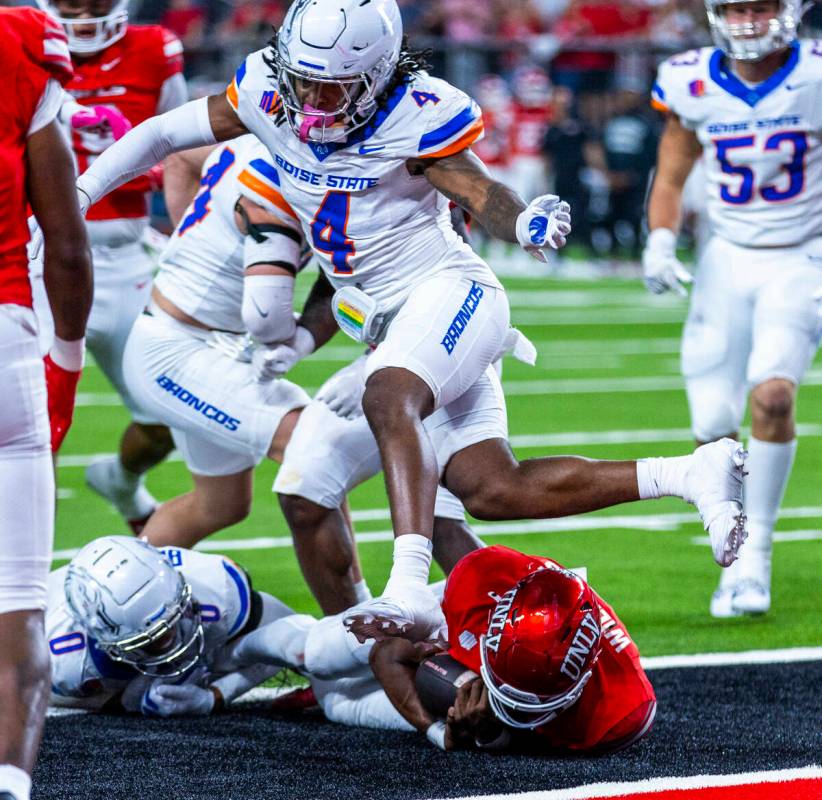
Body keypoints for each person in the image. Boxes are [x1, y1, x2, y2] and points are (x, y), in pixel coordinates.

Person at [59, 0, 746, 646]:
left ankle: (410, 587)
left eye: (335, 87)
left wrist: (523, 218)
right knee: (476, 488)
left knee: (387, 394)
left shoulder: (416, 116)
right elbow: (165, 140)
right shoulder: (270, 97)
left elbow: (479, 189)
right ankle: (688, 474)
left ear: (380, 74)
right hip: (388, 318)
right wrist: (80, 191)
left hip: (452, 295)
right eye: (305, 81)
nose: (314, 101)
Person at [643, 0, 822, 617]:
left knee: (772, 396)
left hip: (803, 255)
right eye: (735, 6)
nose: (747, 19)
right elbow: (671, 176)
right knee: (713, 424)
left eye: (761, 6)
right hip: (726, 258)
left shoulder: (817, 76)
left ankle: (756, 559)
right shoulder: (690, 78)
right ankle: (731, 549)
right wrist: (661, 239)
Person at [34, 0, 188, 533]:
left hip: (126, 258)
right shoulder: (24, 42)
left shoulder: (153, 50)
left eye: (91, 3)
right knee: (31, 432)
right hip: (41, 257)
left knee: (172, 412)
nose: (79, 15)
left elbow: (183, 146)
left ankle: (121, 479)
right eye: (68, 4)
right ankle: (22, 583)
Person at [0, 8, 93, 800]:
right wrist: (65, 352)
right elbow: (64, 242)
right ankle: (10, 782)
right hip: (5, 345)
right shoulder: (20, 42)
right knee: (18, 610)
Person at [47, 536, 412, 734]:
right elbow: (117, 703)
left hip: (216, 648)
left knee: (310, 652)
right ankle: (444, 716)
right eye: (153, 640)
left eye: (176, 618)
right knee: (336, 702)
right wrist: (131, 700)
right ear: (106, 640)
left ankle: (422, 625)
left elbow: (280, 627)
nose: (174, 640)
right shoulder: (66, 663)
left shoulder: (213, 584)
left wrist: (215, 696)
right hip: (120, 675)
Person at [369, 545, 656, 753]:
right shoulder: (475, 597)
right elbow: (387, 655)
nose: (513, 705)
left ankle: (330, 700)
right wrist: (439, 733)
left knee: (338, 701)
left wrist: (491, 736)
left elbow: (537, 737)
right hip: (492, 587)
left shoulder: (621, 712)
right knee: (326, 653)